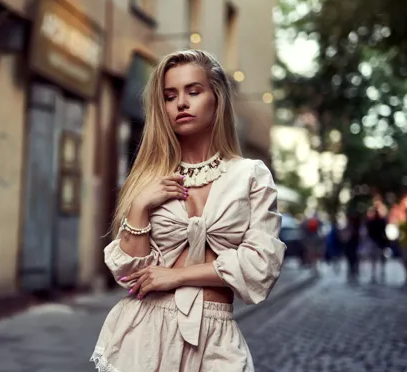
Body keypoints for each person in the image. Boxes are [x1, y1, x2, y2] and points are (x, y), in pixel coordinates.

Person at [90, 49, 286, 372]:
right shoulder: (149, 178)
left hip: (216, 336)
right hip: (145, 332)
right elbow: (128, 274)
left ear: (217, 98)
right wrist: (139, 206)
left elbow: (260, 266)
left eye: (193, 92)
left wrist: (175, 276)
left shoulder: (251, 176)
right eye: (170, 96)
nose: (181, 103)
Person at [366, 208, 388, 283]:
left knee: (378, 257)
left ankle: (378, 270)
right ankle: (375, 271)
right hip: (375, 241)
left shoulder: (379, 221)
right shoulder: (372, 222)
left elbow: (383, 231)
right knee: (374, 257)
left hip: (379, 241)